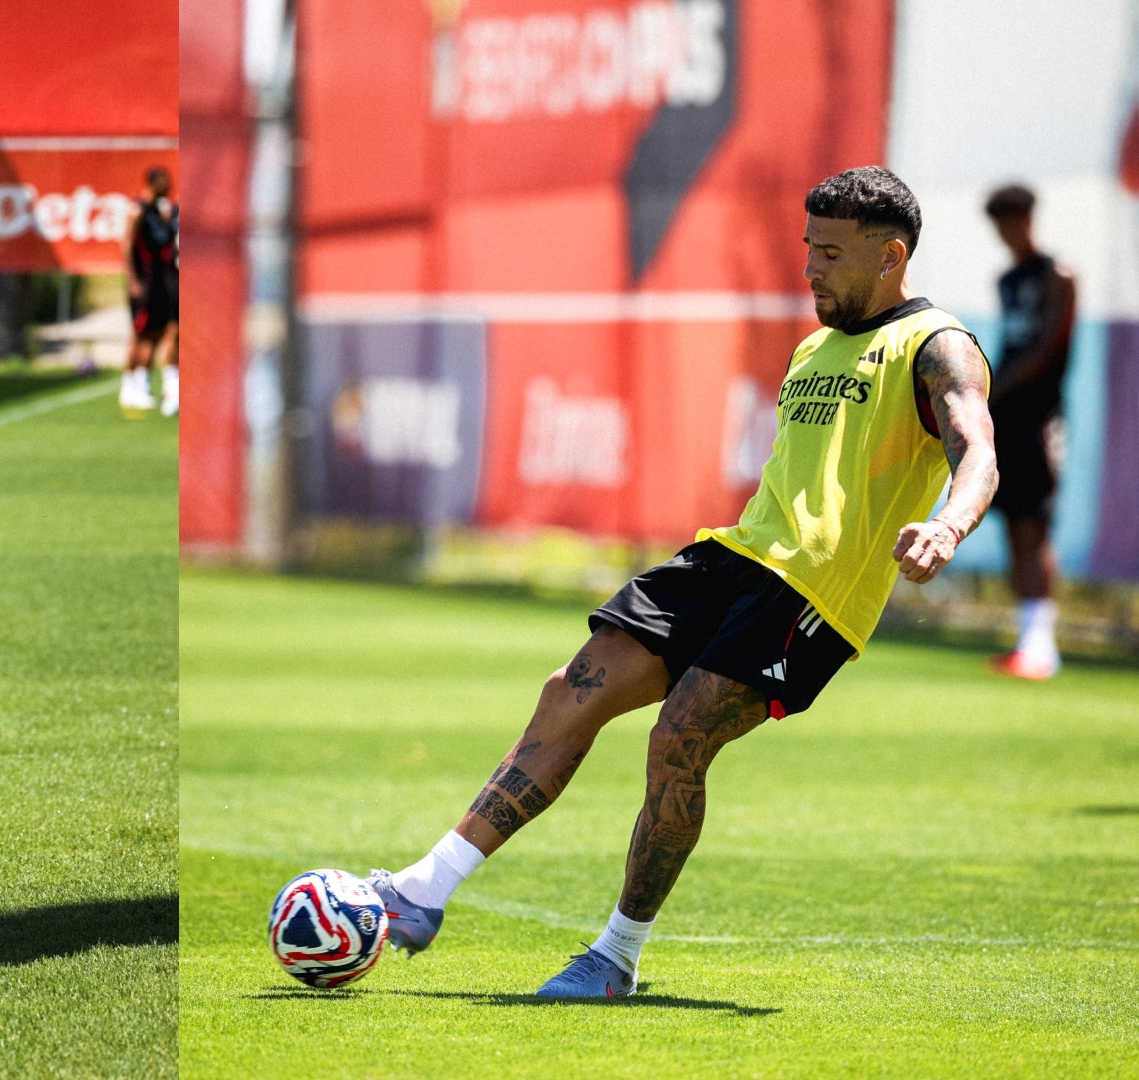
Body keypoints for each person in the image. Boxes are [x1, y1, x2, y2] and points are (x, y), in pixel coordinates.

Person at [363, 167, 997, 998]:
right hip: (733, 559)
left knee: (678, 739)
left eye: (832, 254)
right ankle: (422, 891)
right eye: (808, 247)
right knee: (569, 690)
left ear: (892, 256)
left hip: (812, 596)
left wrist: (948, 525)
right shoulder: (813, 345)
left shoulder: (937, 345)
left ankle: (615, 957)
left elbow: (977, 449)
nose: (810, 267)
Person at [981, 184, 1075, 680]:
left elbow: (1045, 350)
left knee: (1035, 525)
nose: (1007, 232)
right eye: (999, 223)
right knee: (1013, 526)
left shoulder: (1057, 276)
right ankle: (1027, 642)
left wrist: (995, 388)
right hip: (1008, 420)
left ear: (1029, 219)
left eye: (1013, 220)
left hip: (1041, 418)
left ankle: (1044, 648)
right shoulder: (1008, 279)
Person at [122, 165, 178, 417]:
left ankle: (141, 384)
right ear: (153, 182)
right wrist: (133, 279)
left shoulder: (161, 212)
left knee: (156, 333)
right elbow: (126, 246)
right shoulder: (138, 211)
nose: (169, 185)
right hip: (143, 282)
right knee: (141, 333)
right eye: (165, 181)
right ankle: (130, 384)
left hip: (159, 282)